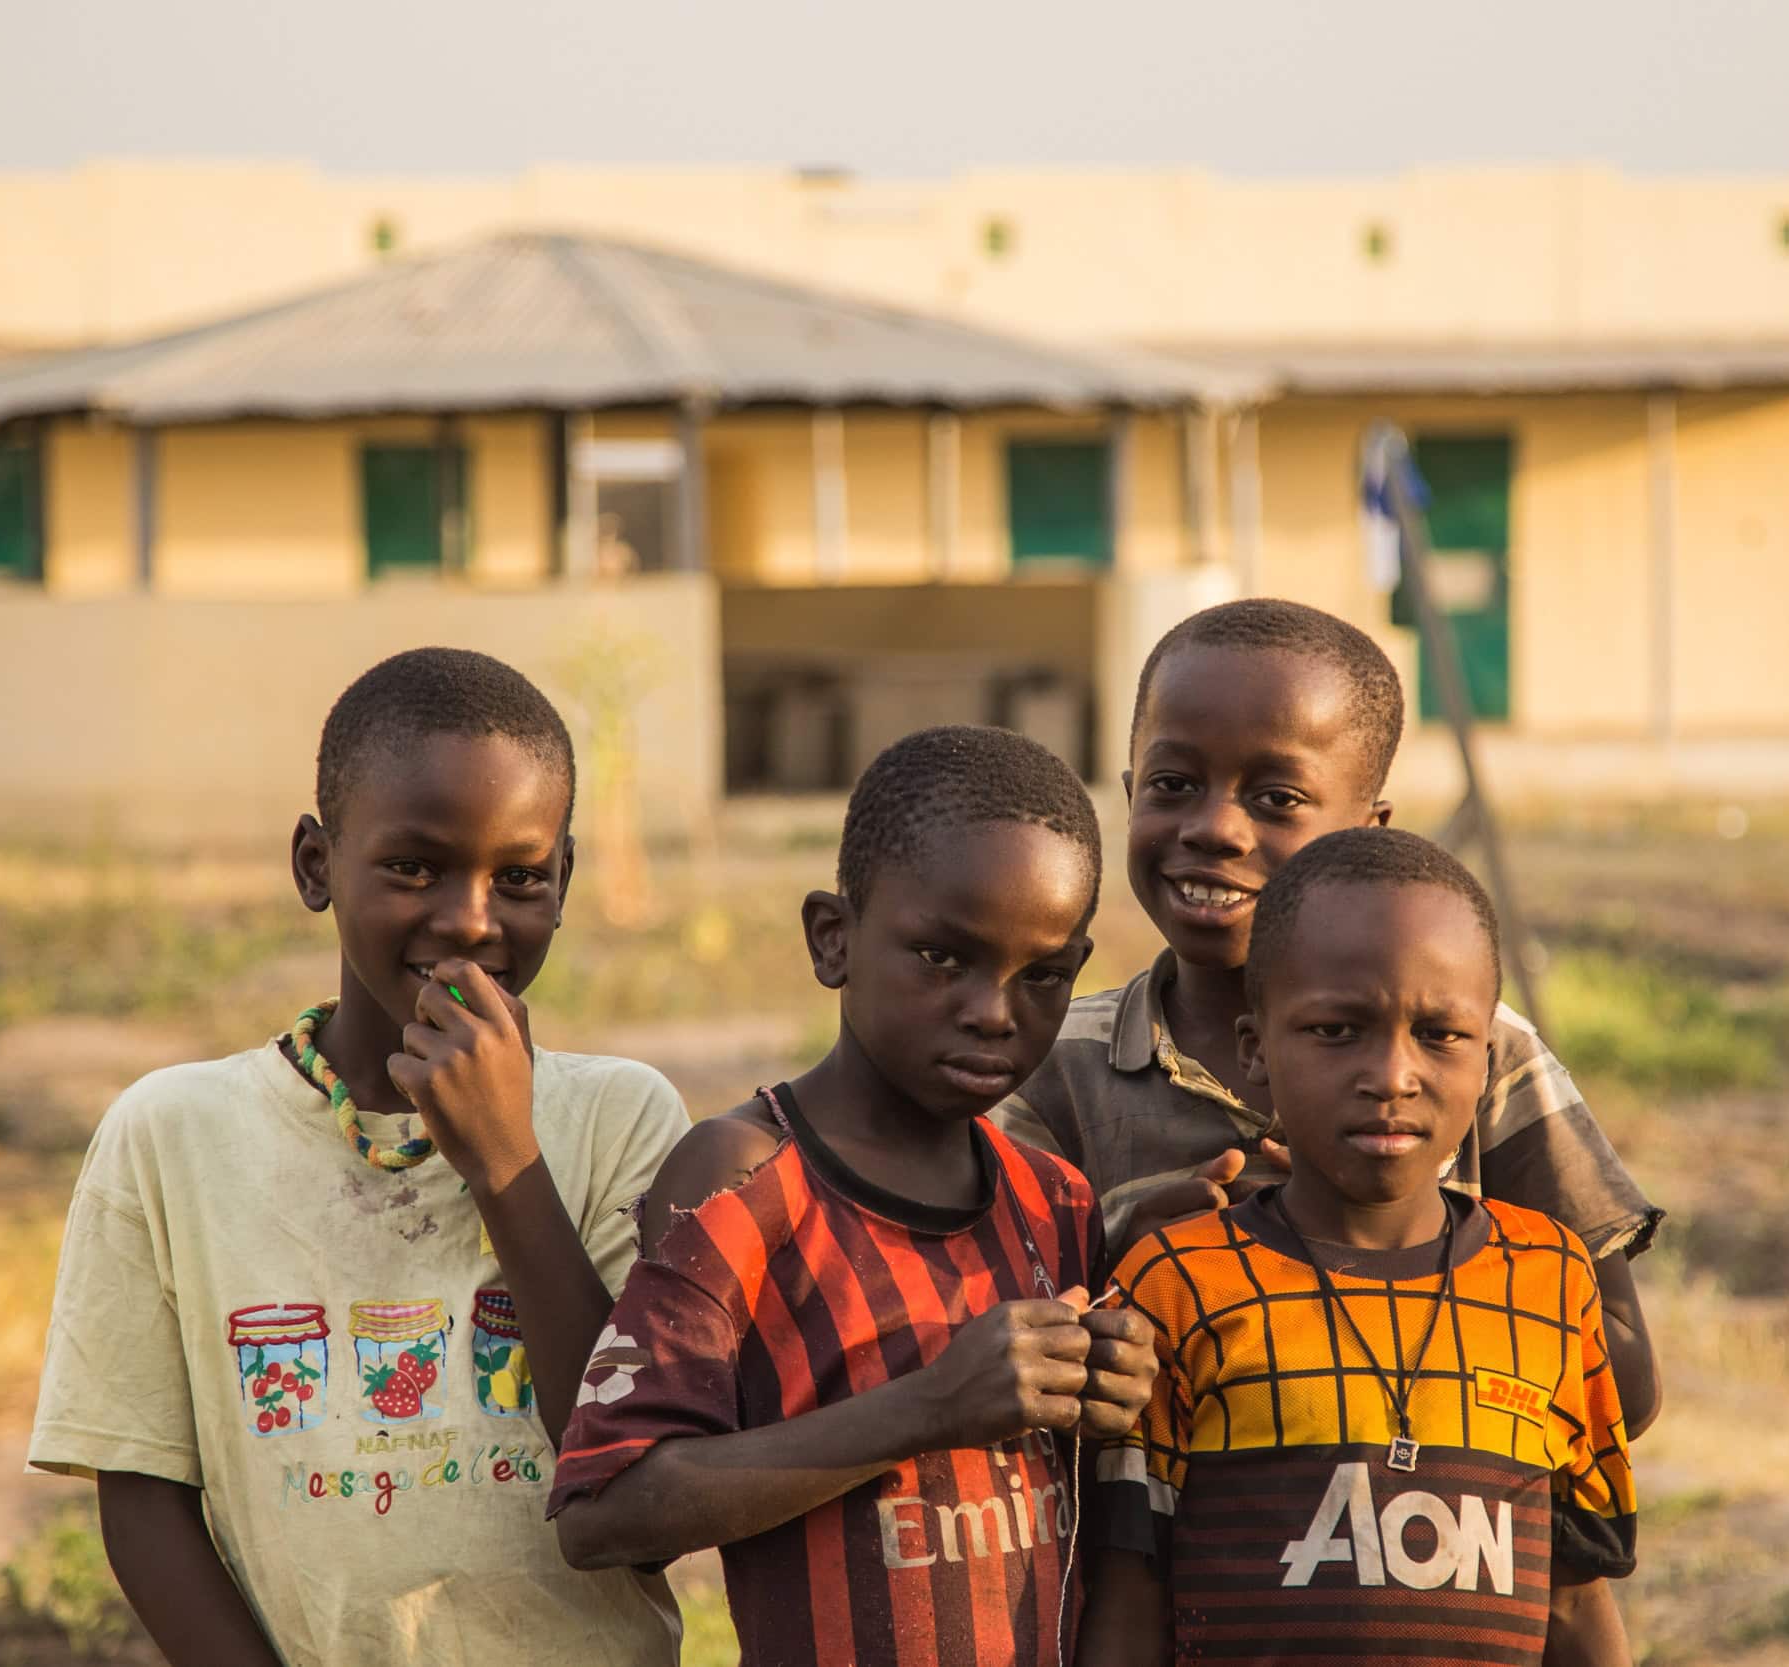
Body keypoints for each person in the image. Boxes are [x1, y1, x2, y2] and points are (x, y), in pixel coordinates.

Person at [26, 648, 690, 1667]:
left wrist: (505, 1158)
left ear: (561, 882)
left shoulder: (621, 1119)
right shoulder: (171, 1135)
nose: (469, 916)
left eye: (516, 876)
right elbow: (144, 1499)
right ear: (314, 864)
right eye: (413, 867)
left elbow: (627, 1467)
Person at [550, 725, 1158, 1667]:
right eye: (943, 958)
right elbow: (606, 1509)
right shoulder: (745, 1179)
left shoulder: (1054, 1202)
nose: (994, 1011)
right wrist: (930, 1406)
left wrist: (1114, 1384)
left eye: (1041, 975)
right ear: (833, 938)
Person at [994, 599, 1664, 1437]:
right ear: (1129, 794)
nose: (1215, 828)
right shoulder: (1059, 1064)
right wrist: (1118, 1251)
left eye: (1277, 798)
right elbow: (984, 1341)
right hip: (1158, 1555)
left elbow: (1624, 1384)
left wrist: (1425, 1247)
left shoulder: (1477, 1052)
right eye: (1173, 785)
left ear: (1366, 829)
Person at [1080, 828, 1637, 1667]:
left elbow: (1573, 1593)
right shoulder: (1175, 1285)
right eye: (1338, 1030)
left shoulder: (1551, 1279)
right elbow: (1129, 1598)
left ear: (1489, 1058)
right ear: (1254, 1049)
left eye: (1440, 1034)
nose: (1392, 1074)